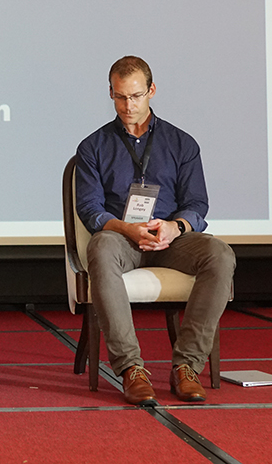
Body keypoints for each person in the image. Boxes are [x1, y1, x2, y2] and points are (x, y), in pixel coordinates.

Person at [74, 56, 235, 406]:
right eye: (119, 97)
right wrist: (127, 229)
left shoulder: (181, 143)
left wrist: (175, 227)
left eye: (135, 96)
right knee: (100, 247)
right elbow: (90, 210)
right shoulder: (93, 147)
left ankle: (187, 366)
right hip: (122, 239)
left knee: (219, 254)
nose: (127, 105)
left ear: (152, 91)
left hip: (170, 238)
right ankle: (131, 368)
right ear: (111, 93)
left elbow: (197, 204)